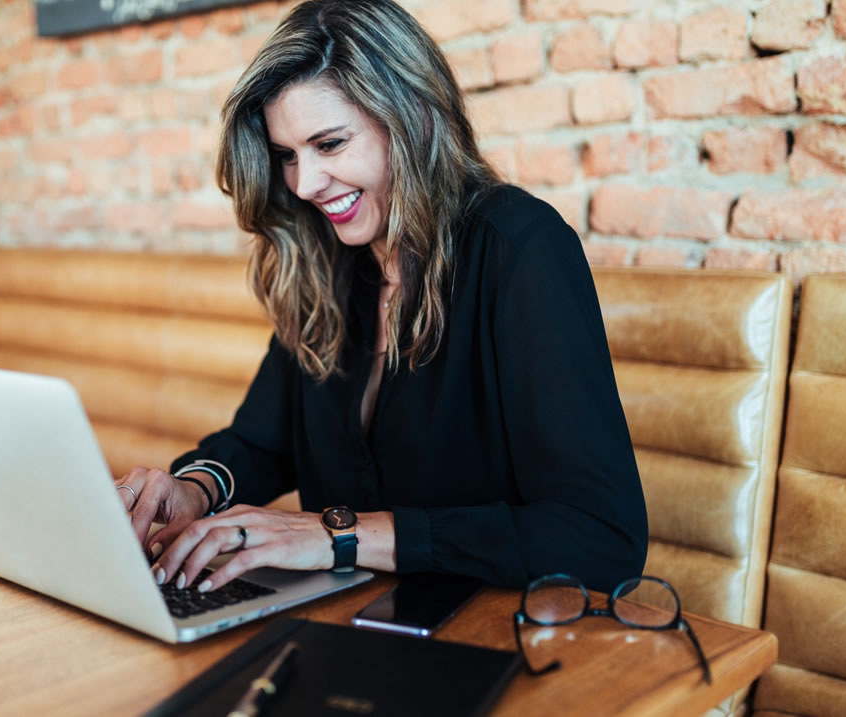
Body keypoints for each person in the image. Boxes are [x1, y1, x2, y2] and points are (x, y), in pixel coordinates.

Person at [113, 0, 647, 596]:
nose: (305, 184)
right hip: (344, 625)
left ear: (415, 116)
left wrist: (338, 535)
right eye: (288, 155)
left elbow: (601, 538)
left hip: (490, 639)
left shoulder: (521, 248)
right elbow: (261, 442)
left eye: (331, 144)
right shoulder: (329, 262)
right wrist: (194, 488)